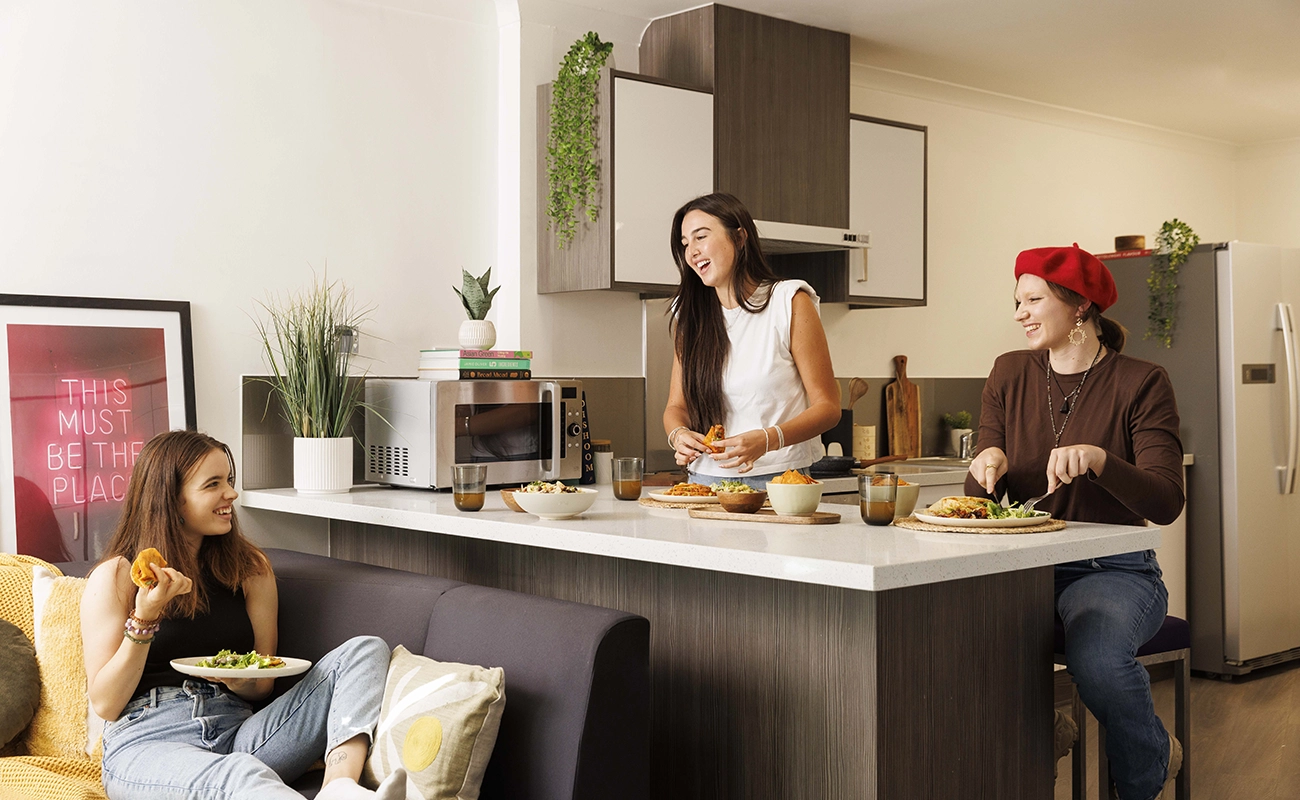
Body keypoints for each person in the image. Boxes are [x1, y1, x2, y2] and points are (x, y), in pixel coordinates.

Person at [965, 244, 1185, 800]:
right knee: (945, 646)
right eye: (1017, 301)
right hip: (1018, 568)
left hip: (1111, 570)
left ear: (1080, 305)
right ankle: (1050, 728)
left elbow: (1165, 501)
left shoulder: (1142, 381)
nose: (1020, 313)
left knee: (1100, 662)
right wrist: (985, 465)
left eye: (1033, 299)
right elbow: (983, 492)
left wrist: (1102, 461)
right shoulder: (1009, 372)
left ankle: (1146, 771)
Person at [80, 430, 405, 800]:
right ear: (171, 499)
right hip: (148, 740)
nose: (231, 494)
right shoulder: (118, 576)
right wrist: (145, 616)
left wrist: (239, 681)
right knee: (240, 776)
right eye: (213, 484)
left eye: (229, 481)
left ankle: (339, 786)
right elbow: (106, 703)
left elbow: (263, 683)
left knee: (365, 651)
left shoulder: (250, 569)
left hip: (240, 731)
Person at [663, 192, 840, 488]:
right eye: (685, 244)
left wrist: (768, 440)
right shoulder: (690, 315)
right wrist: (678, 435)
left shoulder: (789, 301)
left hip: (782, 483)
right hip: (703, 484)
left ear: (740, 237)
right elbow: (675, 408)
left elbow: (829, 407)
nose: (691, 251)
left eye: (701, 237)